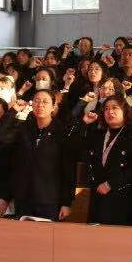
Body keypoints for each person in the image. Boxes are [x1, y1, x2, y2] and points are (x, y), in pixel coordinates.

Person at [13, 90, 81, 220]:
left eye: (45, 102)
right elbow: (0, 136)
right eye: (37, 101)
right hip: (23, 199)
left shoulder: (62, 132)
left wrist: (66, 203)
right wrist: (14, 110)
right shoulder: (24, 128)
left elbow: (68, 170)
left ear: (53, 107)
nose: (40, 105)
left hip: (49, 201)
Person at [81, 95, 132, 225]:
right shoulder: (98, 134)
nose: (110, 112)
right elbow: (76, 148)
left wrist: (111, 184)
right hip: (99, 199)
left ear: (125, 111)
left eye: (115, 108)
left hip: (124, 200)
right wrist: (84, 123)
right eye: (106, 108)